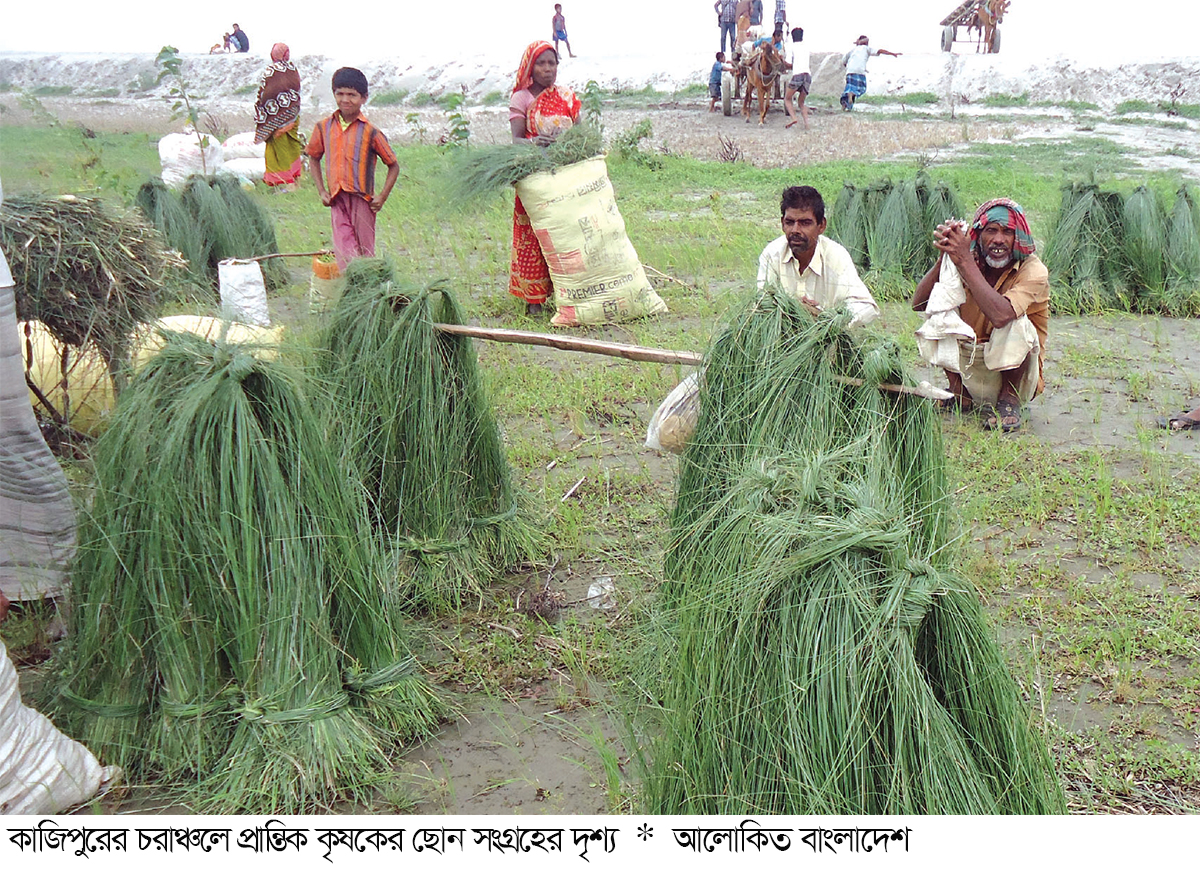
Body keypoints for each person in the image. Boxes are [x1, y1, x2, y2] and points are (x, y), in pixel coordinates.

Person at [912, 198, 1049, 432]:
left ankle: (1009, 403)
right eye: (990, 231)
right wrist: (946, 259)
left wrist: (965, 263)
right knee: (940, 313)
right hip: (970, 373)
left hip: (1017, 378)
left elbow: (1000, 315)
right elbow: (920, 304)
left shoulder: (1033, 270)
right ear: (979, 235)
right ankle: (960, 395)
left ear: (1018, 238)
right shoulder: (968, 261)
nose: (998, 240)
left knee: (1014, 320)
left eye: (1008, 232)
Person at [509, 41, 581, 316]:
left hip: (564, 174)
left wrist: (568, 143)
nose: (548, 69)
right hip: (535, 176)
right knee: (536, 234)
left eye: (552, 63)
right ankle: (534, 300)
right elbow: (516, 140)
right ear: (531, 66)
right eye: (542, 63)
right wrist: (536, 143)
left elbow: (581, 133)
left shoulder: (565, 96)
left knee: (566, 233)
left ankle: (568, 294)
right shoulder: (522, 98)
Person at [305, 67, 400, 271]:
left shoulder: (371, 132)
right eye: (340, 94)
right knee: (345, 252)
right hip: (336, 199)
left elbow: (393, 165)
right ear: (334, 94)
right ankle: (352, 291)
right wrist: (322, 191)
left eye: (352, 95)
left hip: (363, 201)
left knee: (366, 253)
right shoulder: (324, 127)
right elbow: (313, 157)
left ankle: (370, 294)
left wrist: (382, 197)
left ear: (364, 98)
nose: (345, 100)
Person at [758, 185, 880, 328]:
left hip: (827, 342)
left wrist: (827, 318)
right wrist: (794, 309)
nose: (795, 230)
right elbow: (762, 303)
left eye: (805, 223)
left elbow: (867, 307)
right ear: (782, 224)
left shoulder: (836, 257)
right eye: (790, 222)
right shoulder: (772, 255)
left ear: (821, 226)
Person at [254, 43, 303, 191]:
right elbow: (297, 90)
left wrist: (263, 113)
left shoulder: (270, 71)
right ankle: (295, 181)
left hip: (276, 118)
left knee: (279, 150)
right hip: (293, 114)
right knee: (293, 146)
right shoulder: (292, 69)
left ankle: (284, 183)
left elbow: (265, 94)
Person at [840, 34, 899, 111]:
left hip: (850, 71)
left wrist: (848, 68)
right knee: (861, 88)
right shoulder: (867, 49)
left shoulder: (852, 50)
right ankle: (852, 96)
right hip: (860, 71)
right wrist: (892, 53)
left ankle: (845, 107)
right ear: (866, 43)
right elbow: (880, 51)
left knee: (849, 89)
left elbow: (844, 61)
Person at [784, 26, 810, 129]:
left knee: (787, 99)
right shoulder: (806, 47)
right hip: (807, 75)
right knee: (801, 102)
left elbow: (789, 64)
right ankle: (807, 124)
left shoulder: (791, 47)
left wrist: (782, 60)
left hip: (798, 75)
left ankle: (794, 118)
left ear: (792, 37)